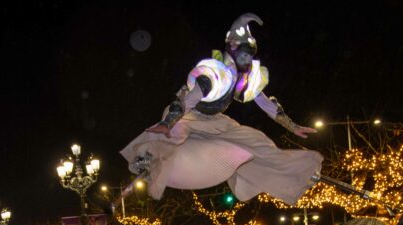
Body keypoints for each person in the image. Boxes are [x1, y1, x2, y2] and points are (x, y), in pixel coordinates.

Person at [120, 14, 322, 205]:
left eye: (251, 55)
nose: (248, 60)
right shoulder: (216, 73)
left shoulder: (246, 78)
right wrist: (167, 123)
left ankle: (297, 172)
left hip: (215, 120)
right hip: (187, 115)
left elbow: (266, 103)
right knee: (175, 133)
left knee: (257, 140)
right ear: (233, 47)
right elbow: (187, 100)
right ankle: (148, 158)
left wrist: (293, 127)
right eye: (245, 54)